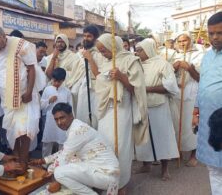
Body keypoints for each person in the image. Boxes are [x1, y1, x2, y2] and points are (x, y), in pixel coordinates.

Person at [0, 25, 46, 171]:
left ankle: (23, 163)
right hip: (8, 99)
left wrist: (30, 92)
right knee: (13, 132)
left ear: (3, 36)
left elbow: (31, 69)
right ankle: (17, 163)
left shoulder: (20, 45)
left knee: (25, 130)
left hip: (26, 97)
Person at [95, 34, 148, 194]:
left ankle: (122, 184)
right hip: (105, 113)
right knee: (106, 147)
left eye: (104, 50)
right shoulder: (105, 63)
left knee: (121, 149)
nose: (103, 54)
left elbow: (137, 90)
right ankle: (107, 182)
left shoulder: (131, 61)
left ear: (113, 47)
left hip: (121, 112)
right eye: (100, 51)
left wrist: (122, 77)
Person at [29, 103, 119, 195]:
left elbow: (64, 156)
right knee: (63, 164)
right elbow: (65, 152)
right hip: (102, 174)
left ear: (71, 115)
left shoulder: (77, 130)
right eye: (56, 119)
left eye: (62, 118)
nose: (59, 122)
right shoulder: (75, 126)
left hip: (106, 176)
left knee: (59, 172)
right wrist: (43, 160)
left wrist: (55, 179)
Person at [134, 39, 180, 181]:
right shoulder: (136, 64)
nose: (137, 52)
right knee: (143, 136)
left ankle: (165, 169)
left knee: (163, 137)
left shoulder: (162, 64)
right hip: (141, 105)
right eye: (137, 49)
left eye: (140, 50)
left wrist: (147, 89)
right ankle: (146, 164)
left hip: (159, 106)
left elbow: (170, 86)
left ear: (148, 50)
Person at [193, 11, 222, 195]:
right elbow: (202, 84)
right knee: (213, 167)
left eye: (220, 33)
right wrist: (196, 110)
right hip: (209, 121)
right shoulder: (207, 56)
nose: (215, 37)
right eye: (211, 33)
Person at [172, 32, 204, 167]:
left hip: (192, 93)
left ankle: (194, 154)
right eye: (179, 41)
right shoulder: (173, 55)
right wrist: (173, 69)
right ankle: (177, 151)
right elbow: (168, 76)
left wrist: (189, 68)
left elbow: (200, 78)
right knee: (177, 123)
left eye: (184, 41)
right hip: (177, 94)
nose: (182, 44)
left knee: (191, 124)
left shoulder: (199, 55)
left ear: (190, 41)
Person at [68, 25, 103, 128]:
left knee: (92, 118)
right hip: (78, 90)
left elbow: (100, 75)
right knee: (79, 117)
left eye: (89, 36)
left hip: (93, 90)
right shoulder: (79, 54)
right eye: (85, 36)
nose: (86, 38)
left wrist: (90, 58)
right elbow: (73, 71)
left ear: (95, 38)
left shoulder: (99, 54)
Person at [41, 68, 72, 157]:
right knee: (47, 141)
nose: (56, 83)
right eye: (55, 81)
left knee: (62, 142)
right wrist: (49, 101)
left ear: (63, 81)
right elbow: (41, 105)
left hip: (63, 121)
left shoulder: (67, 91)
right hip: (50, 120)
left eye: (59, 82)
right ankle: (44, 162)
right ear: (52, 79)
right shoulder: (47, 89)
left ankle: (59, 161)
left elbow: (70, 108)